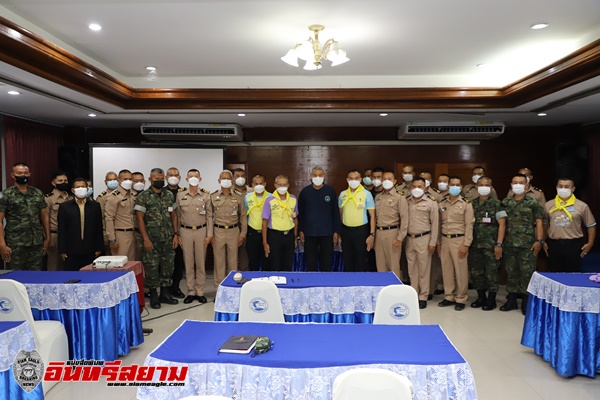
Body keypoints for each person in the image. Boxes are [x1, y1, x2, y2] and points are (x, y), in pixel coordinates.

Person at [134, 168, 179, 309]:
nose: (159, 181)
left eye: (161, 179)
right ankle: (153, 295)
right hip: (151, 239)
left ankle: (165, 294)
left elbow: (174, 215)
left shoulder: (169, 195)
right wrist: (146, 239)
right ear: (150, 179)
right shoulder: (143, 196)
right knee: (151, 267)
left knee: (168, 266)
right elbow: (139, 219)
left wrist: (175, 234)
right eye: (156, 179)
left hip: (167, 238)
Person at [500, 173, 545, 314]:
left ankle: (526, 301)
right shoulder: (505, 202)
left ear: (526, 185)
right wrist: (500, 243)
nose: (517, 185)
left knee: (527, 273)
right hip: (509, 243)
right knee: (511, 272)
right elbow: (502, 224)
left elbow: (539, 223)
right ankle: (511, 300)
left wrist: (539, 241)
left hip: (528, 244)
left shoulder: (533, 203)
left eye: (521, 182)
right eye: (515, 182)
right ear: (511, 185)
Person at [0, 162, 50, 270]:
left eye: (26, 173)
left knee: (35, 276)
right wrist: (2, 244)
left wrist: (48, 238)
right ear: (12, 175)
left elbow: (45, 217)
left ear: (30, 174)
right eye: (19, 173)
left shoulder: (37, 193)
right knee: (14, 277)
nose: (23, 175)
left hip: (36, 243)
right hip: (15, 244)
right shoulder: (5, 195)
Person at [468, 176, 506, 310]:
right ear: (476, 187)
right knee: (477, 272)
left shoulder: (497, 204)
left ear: (491, 188)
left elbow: (502, 225)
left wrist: (499, 244)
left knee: (492, 272)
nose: (484, 188)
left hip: (491, 245)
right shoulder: (471, 204)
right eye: (481, 185)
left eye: (487, 185)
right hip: (475, 245)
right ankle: (481, 297)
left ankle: (491, 299)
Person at [437, 176, 474, 311]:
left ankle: (461, 298)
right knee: (446, 270)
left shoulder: (466, 203)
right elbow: (438, 224)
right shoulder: (442, 203)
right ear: (448, 186)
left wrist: (466, 244)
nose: (454, 187)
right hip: (444, 239)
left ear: (461, 187)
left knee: (461, 271)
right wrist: (438, 243)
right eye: (452, 184)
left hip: (459, 240)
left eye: (457, 185)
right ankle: (449, 296)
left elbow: (469, 225)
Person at [544, 178, 596, 272]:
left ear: (573, 189)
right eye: (560, 186)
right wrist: (542, 241)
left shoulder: (582, 206)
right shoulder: (548, 205)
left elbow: (591, 225)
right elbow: (544, 224)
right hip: (554, 244)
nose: (563, 189)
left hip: (573, 245)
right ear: (556, 187)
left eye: (567, 187)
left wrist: (590, 243)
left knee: (572, 272)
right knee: (554, 273)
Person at [176, 169, 212, 304]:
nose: (193, 178)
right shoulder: (180, 195)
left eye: (196, 176)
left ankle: (200, 291)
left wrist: (209, 235)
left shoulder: (206, 195)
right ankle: (191, 291)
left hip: (201, 231)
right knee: (189, 262)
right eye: (191, 176)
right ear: (186, 179)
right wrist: (177, 234)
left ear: (200, 179)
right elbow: (178, 216)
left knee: (201, 262)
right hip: (185, 231)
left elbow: (209, 216)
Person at [297, 166, 341, 272]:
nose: (317, 177)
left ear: (324, 176)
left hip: (327, 232)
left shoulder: (330, 191)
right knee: (310, 263)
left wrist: (336, 231)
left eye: (320, 175)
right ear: (311, 177)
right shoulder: (305, 192)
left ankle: (326, 285)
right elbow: (301, 213)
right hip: (309, 232)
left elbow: (335, 213)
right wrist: (301, 230)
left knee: (326, 263)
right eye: (315, 175)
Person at [405, 177, 439, 309]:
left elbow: (435, 224)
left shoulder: (431, 203)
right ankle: (413, 293)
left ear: (425, 188)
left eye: (419, 186)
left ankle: (423, 296)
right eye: (414, 186)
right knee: (412, 269)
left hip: (424, 238)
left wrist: (433, 242)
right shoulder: (406, 201)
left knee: (424, 269)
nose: (416, 189)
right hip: (409, 238)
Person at [57, 178, 104, 270]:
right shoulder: (64, 206)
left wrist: (99, 247)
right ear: (73, 190)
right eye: (78, 187)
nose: (81, 189)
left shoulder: (95, 206)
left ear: (87, 189)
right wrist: (62, 250)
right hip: (71, 250)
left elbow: (98, 227)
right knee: (71, 277)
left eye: (83, 186)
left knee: (89, 277)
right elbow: (62, 229)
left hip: (90, 249)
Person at [210, 170, 247, 286]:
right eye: (223, 178)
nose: (225, 180)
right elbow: (209, 217)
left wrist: (242, 234)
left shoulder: (238, 196)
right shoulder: (212, 196)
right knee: (219, 262)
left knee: (233, 262)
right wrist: (210, 235)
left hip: (233, 231)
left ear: (232, 180)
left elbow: (243, 216)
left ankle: (232, 287)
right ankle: (219, 290)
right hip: (218, 231)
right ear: (219, 181)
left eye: (228, 178)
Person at [338, 169, 376, 272]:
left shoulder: (366, 194)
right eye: (351, 178)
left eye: (356, 178)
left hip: (361, 231)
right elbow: (340, 214)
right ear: (347, 180)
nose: (353, 181)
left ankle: (362, 285)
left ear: (360, 179)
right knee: (348, 260)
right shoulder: (342, 194)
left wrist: (372, 234)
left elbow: (372, 216)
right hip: (346, 231)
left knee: (361, 261)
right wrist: (340, 233)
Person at [374, 171, 408, 278]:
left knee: (394, 266)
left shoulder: (399, 197)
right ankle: (383, 290)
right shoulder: (378, 197)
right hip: (379, 233)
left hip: (392, 233)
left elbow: (405, 218)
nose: (386, 181)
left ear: (395, 181)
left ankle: (395, 292)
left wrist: (400, 238)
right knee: (380, 265)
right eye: (384, 179)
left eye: (389, 179)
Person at [262, 175, 299, 271]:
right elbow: (264, 222)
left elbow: (295, 219)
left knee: (288, 265)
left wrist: (295, 237)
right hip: (275, 237)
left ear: (288, 185)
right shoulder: (269, 200)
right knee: (275, 265)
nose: (282, 187)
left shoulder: (293, 199)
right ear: (275, 185)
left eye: (284, 184)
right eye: (280, 184)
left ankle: (286, 286)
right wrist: (265, 242)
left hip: (289, 236)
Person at [104, 169, 136, 261]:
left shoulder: (132, 195)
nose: (128, 181)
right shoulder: (113, 196)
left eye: (130, 179)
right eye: (125, 179)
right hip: (120, 235)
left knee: (132, 263)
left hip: (132, 234)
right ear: (119, 180)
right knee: (120, 263)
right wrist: (112, 239)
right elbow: (109, 218)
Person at [164, 167, 186, 299]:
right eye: (170, 175)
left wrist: (177, 234)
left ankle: (175, 288)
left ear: (180, 177)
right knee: (164, 263)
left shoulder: (183, 193)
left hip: (179, 233)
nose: (173, 177)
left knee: (178, 262)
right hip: (164, 233)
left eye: (176, 175)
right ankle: (164, 290)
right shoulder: (161, 192)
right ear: (166, 177)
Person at [45, 170, 72, 271]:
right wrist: (47, 238)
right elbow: (44, 219)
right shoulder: (48, 199)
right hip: (55, 235)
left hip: (69, 236)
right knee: (54, 265)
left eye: (65, 180)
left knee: (68, 265)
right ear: (53, 183)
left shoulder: (71, 198)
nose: (63, 183)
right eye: (60, 181)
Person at [244, 174, 272, 271]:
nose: (259, 186)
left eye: (261, 183)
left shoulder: (271, 197)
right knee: (253, 262)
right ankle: (254, 284)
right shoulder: (247, 197)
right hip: (253, 233)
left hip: (268, 233)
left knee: (267, 261)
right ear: (252, 185)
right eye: (256, 184)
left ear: (265, 184)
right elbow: (245, 214)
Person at [232, 168, 252, 270]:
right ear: (233, 179)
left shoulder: (251, 191)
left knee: (246, 256)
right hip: (233, 227)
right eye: (237, 176)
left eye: (243, 176)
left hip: (251, 227)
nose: (240, 178)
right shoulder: (228, 192)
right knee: (232, 258)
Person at [96, 171, 119, 253]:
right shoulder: (102, 197)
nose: (113, 181)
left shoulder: (121, 195)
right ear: (105, 182)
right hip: (109, 233)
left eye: (114, 179)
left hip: (121, 231)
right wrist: (106, 236)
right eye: (110, 180)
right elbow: (101, 218)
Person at [131, 171, 146, 261]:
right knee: (135, 259)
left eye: (141, 181)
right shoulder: (127, 196)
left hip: (147, 232)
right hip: (133, 232)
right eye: (136, 181)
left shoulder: (148, 195)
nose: (139, 183)